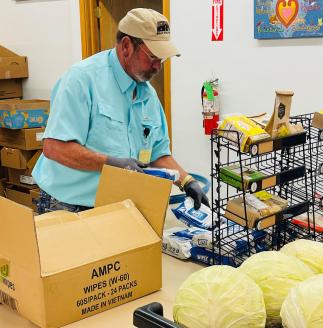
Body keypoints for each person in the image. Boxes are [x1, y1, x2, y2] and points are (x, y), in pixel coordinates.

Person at [32, 8, 209, 214]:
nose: (157, 67)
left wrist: (186, 181)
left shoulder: (147, 95)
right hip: (67, 205)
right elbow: (54, 148)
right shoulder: (82, 80)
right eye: (153, 57)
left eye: (162, 59)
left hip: (117, 205)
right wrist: (111, 163)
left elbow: (158, 154)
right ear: (126, 46)